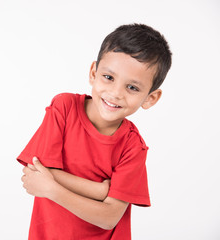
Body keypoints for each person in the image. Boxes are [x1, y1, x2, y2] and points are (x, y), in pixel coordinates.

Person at [17, 23, 172, 240]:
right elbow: (36, 173)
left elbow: (108, 218)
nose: (115, 93)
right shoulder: (64, 108)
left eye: (132, 87)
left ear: (150, 98)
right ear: (93, 72)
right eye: (109, 77)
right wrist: (100, 191)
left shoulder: (133, 146)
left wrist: (51, 189)